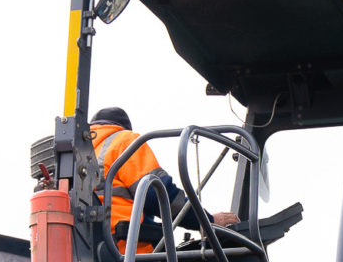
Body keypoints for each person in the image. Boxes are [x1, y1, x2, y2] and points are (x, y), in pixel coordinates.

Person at [91, 106, 237, 249]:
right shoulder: (124, 140)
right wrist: (206, 220)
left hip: (90, 251)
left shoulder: (79, 152)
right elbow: (156, 193)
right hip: (126, 250)